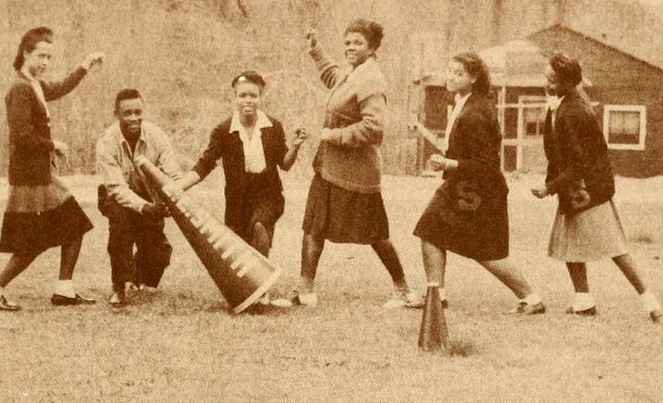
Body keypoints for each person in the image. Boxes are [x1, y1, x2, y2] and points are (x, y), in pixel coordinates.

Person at [292, 20, 421, 309]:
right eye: (347, 41)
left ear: (372, 48)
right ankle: (305, 291)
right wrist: (317, 51)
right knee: (313, 227)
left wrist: (331, 135)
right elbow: (334, 79)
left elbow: (374, 128)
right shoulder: (353, 73)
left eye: (358, 43)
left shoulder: (371, 79)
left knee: (375, 235)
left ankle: (404, 291)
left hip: (357, 174)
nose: (350, 47)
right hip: (328, 168)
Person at [531, 52, 663, 323]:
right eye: (546, 78)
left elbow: (579, 162)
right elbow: (556, 153)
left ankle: (651, 302)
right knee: (570, 243)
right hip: (576, 187)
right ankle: (583, 300)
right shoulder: (561, 105)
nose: (546, 84)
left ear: (567, 82)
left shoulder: (574, 111)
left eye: (552, 80)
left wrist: (550, 188)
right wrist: (553, 182)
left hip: (589, 189)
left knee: (614, 248)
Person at [0, 26, 104, 311]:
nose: (46, 62)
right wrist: (52, 144)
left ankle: (64, 289)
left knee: (73, 225)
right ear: (25, 53)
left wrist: (85, 65)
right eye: (41, 56)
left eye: (49, 57)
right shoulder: (19, 88)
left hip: (41, 175)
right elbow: (20, 137)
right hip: (30, 178)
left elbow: (60, 87)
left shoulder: (33, 84)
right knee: (35, 242)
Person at [413, 52, 545, 314]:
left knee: (486, 252)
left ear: (473, 77)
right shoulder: (466, 101)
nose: (450, 76)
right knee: (430, 229)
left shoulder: (476, 112)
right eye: (449, 71)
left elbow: (485, 166)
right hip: (464, 186)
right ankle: (436, 295)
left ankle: (531, 299)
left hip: (481, 191)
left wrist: (449, 163)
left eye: (458, 73)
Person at [173, 71, 306, 306]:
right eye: (242, 95)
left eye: (253, 95)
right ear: (234, 98)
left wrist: (295, 146)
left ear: (260, 96)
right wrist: (177, 187)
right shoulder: (224, 131)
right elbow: (205, 165)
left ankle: (261, 290)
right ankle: (248, 292)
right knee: (241, 247)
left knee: (260, 227)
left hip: (268, 193)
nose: (248, 100)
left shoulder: (273, 126)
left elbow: (284, 164)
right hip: (237, 199)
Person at [95, 88, 181, 307]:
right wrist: (144, 208)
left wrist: (173, 196)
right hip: (114, 196)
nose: (133, 118)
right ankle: (119, 286)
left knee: (159, 251)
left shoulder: (157, 136)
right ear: (116, 114)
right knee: (121, 227)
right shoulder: (106, 142)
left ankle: (137, 278)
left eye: (137, 112)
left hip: (149, 196)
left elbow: (173, 173)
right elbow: (116, 188)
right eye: (127, 113)